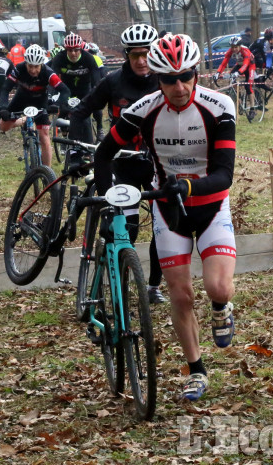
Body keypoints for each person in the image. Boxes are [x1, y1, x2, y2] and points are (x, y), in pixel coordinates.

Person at [94, 33, 237, 402]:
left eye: (186, 75)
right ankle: (196, 369)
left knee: (217, 288)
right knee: (180, 293)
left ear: (196, 73)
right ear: (157, 79)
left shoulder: (219, 106)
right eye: (169, 79)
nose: (179, 86)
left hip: (211, 204)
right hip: (167, 208)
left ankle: (222, 308)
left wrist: (189, 187)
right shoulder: (143, 109)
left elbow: (224, 174)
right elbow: (104, 152)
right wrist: (106, 193)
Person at [70, 23, 165, 304]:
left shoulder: (164, 81)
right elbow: (80, 111)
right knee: (129, 227)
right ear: (126, 55)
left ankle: (153, 286)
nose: (140, 60)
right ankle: (121, 283)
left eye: (146, 54)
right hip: (121, 163)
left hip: (155, 164)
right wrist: (78, 150)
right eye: (134, 55)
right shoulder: (113, 81)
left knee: (164, 226)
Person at [0, 44, 70, 168]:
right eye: (30, 66)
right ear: (25, 63)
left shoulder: (48, 72)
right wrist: (3, 108)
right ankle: (23, 120)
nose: (33, 70)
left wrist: (56, 105)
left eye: (36, 66)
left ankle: (47, 174)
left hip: (40, 101)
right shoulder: (19, 69)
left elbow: (65, 91)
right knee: (3, 127)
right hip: (21, 98)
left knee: (44, 135)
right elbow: (5, 88)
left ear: (41, 64)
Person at [50, 32, 104, 140]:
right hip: (67, 90)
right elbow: (51, 78)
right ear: (66, 49)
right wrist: (51, 95)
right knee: (63, 110)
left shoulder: (88, 58)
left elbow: (96, 78)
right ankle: (65, 135)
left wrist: (96, 92)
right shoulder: (59, 58)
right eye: (70, 50)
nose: (73, 53)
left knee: (94, 107)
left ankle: (99, 128)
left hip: (85, 89)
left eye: (76, 50)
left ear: (81, 49)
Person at [213, 36, 255, 107]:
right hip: (239, 65)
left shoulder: (245, 51)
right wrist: (218, 73)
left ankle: (252, 107)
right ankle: (239, 98)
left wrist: (238, 73)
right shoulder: (230, 51)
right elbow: (223, 64)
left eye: (236, 47)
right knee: (231, 80)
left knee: (248, 87)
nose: (234, 49)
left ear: (240, 46)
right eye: (232, 47)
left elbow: (245, 64)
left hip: (249, 66)